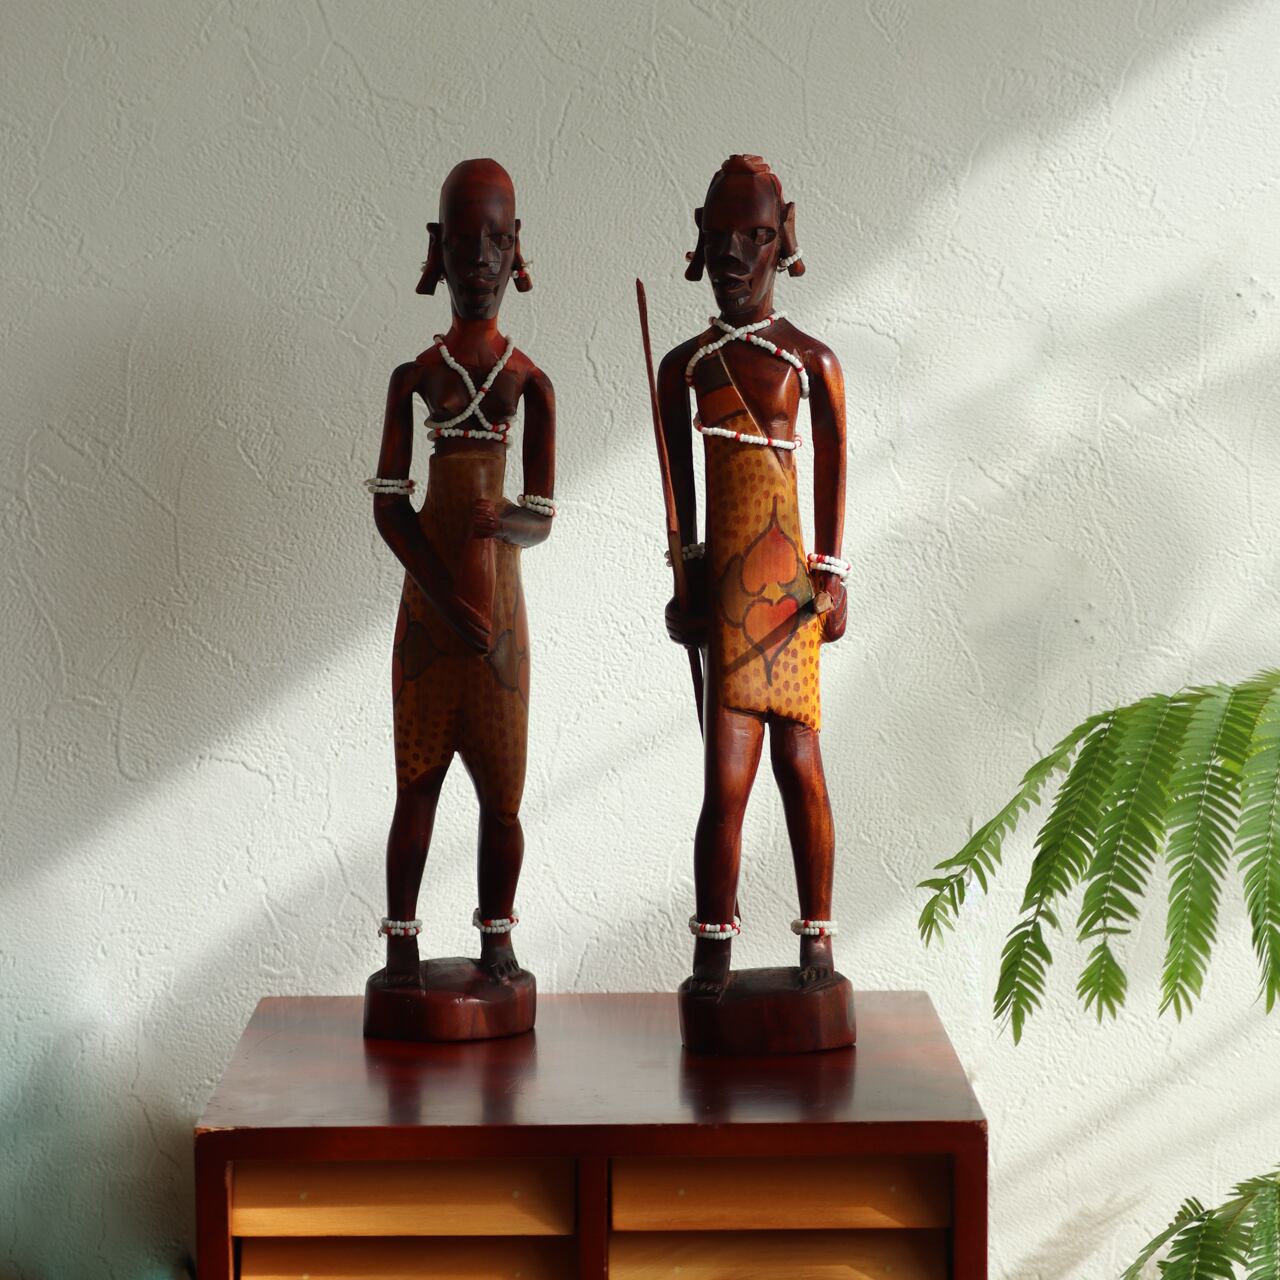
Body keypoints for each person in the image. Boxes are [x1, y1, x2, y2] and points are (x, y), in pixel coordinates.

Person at [657, 154, 849, 995]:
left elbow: (834, 467)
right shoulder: (685, 365)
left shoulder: (811, 360)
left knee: (800, 768)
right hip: (731, 599)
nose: (735, 256)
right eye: (722, 236)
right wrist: (688, 585)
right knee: (725, 782)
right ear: (699, 238)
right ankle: (713, 949)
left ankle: (817, 939)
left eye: (757, 237)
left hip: (792, 599)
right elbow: (681, 499)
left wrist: (833, 577)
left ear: (784, 238)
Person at [366, 158, 555, 989]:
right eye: (464, 242)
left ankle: (497, 942)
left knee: (503, 798)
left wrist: (501, 523)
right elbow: (390, 509)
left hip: (500, 626)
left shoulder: (532, 383)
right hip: (430, 619)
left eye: (496, 241)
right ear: (437, 249)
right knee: (416, 786)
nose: (480, 260)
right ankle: (401, 945)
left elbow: (541, 514)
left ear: (517, 250)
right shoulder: (416, 378)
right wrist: (444, 594)